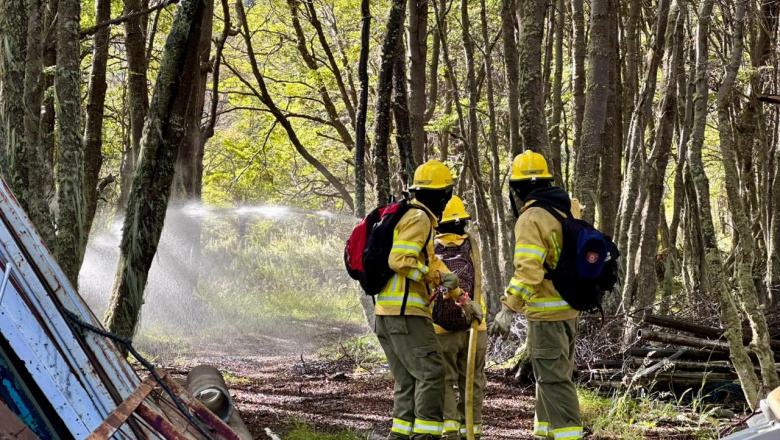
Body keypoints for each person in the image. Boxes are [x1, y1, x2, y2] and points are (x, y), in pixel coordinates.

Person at [488, 151, 583, 440]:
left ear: (518, 188)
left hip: (547, 312)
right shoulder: (568, 208)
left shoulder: (531, 218)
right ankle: (544, 433)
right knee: (550, 376)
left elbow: (529, 271)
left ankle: (569, 435)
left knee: (554, 380)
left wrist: (508, 309)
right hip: (569, 307)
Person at [375, 159, 466, 440]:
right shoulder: (420, 218)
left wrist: (457, 292)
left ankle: (400, 436)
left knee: (407, 382)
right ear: (443, 194)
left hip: (386, 314)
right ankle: (425, 436)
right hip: (407, 314)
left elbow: (430, 260)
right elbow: (400, 260)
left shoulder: (409, 216)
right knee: (432, 373)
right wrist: (434, 279)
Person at [433, 196, 487, 440]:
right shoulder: (473, 246)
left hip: (438, 328)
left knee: (443, 380)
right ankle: (472, 430)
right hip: (475, 323)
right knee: (472, 380)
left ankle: (450, 429)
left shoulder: (430, 247)